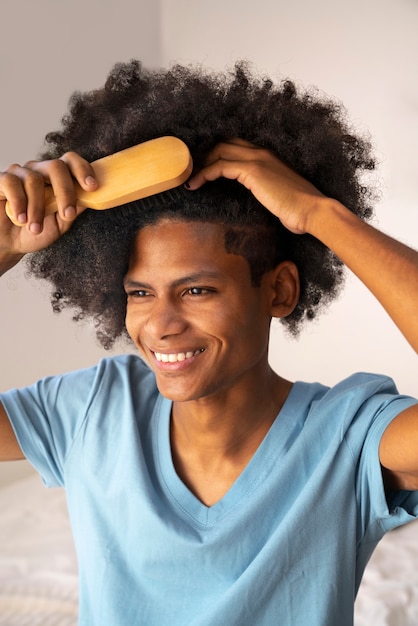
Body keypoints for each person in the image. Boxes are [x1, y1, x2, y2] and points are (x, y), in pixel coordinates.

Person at [0, 60, 417, 626]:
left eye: (196, 290)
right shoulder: (94, 410)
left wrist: (320, 215)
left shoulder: (347, 436)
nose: (162, 324)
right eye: (141, 292)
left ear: (279, 290)